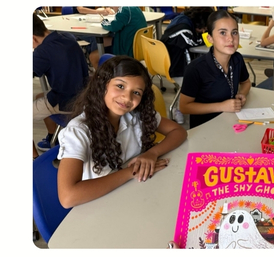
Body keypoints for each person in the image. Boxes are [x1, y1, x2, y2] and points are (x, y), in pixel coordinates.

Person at [56, 56, 186, 208]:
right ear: (103, 84)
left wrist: (152, 153)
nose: (127, 97)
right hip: (98, 205)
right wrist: (131, 172)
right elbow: (68, 197)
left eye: (136, 92)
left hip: (134, 195)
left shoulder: (137, 115)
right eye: (120, 86)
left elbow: (179, 131)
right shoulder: (79, 131)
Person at [178, 11, 251, 130]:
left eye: (234, 32)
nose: (230, 39)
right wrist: (221, 106)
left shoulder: (237, 59)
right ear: (210, 38)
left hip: (230, 122)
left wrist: (242, 94)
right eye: (223, 33)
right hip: (205, 129)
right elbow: (184, 107)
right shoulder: (196, 69)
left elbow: (246, 82)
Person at [33, 14, 90, 149]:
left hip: (67, 102)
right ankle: (53, 138)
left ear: (32, 38)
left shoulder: (42, 51)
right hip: (84, 93)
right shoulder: (66, 36)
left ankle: (33, 159)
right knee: (40, 96)